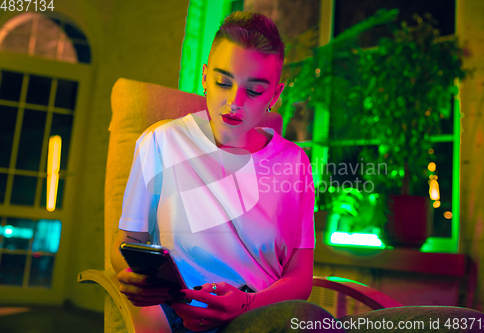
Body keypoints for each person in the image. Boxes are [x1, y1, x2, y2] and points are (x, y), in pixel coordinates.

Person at [110, 11, 340, 333]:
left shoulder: (295, 162)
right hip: (182, 315)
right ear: (204, 77)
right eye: (223, 82)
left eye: (255, 91)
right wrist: (138, 281)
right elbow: (126, 243)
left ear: (275, 95)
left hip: (260, 316)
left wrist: (245, 304)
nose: (234, 102)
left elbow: (300, 278)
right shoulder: (161, 141)